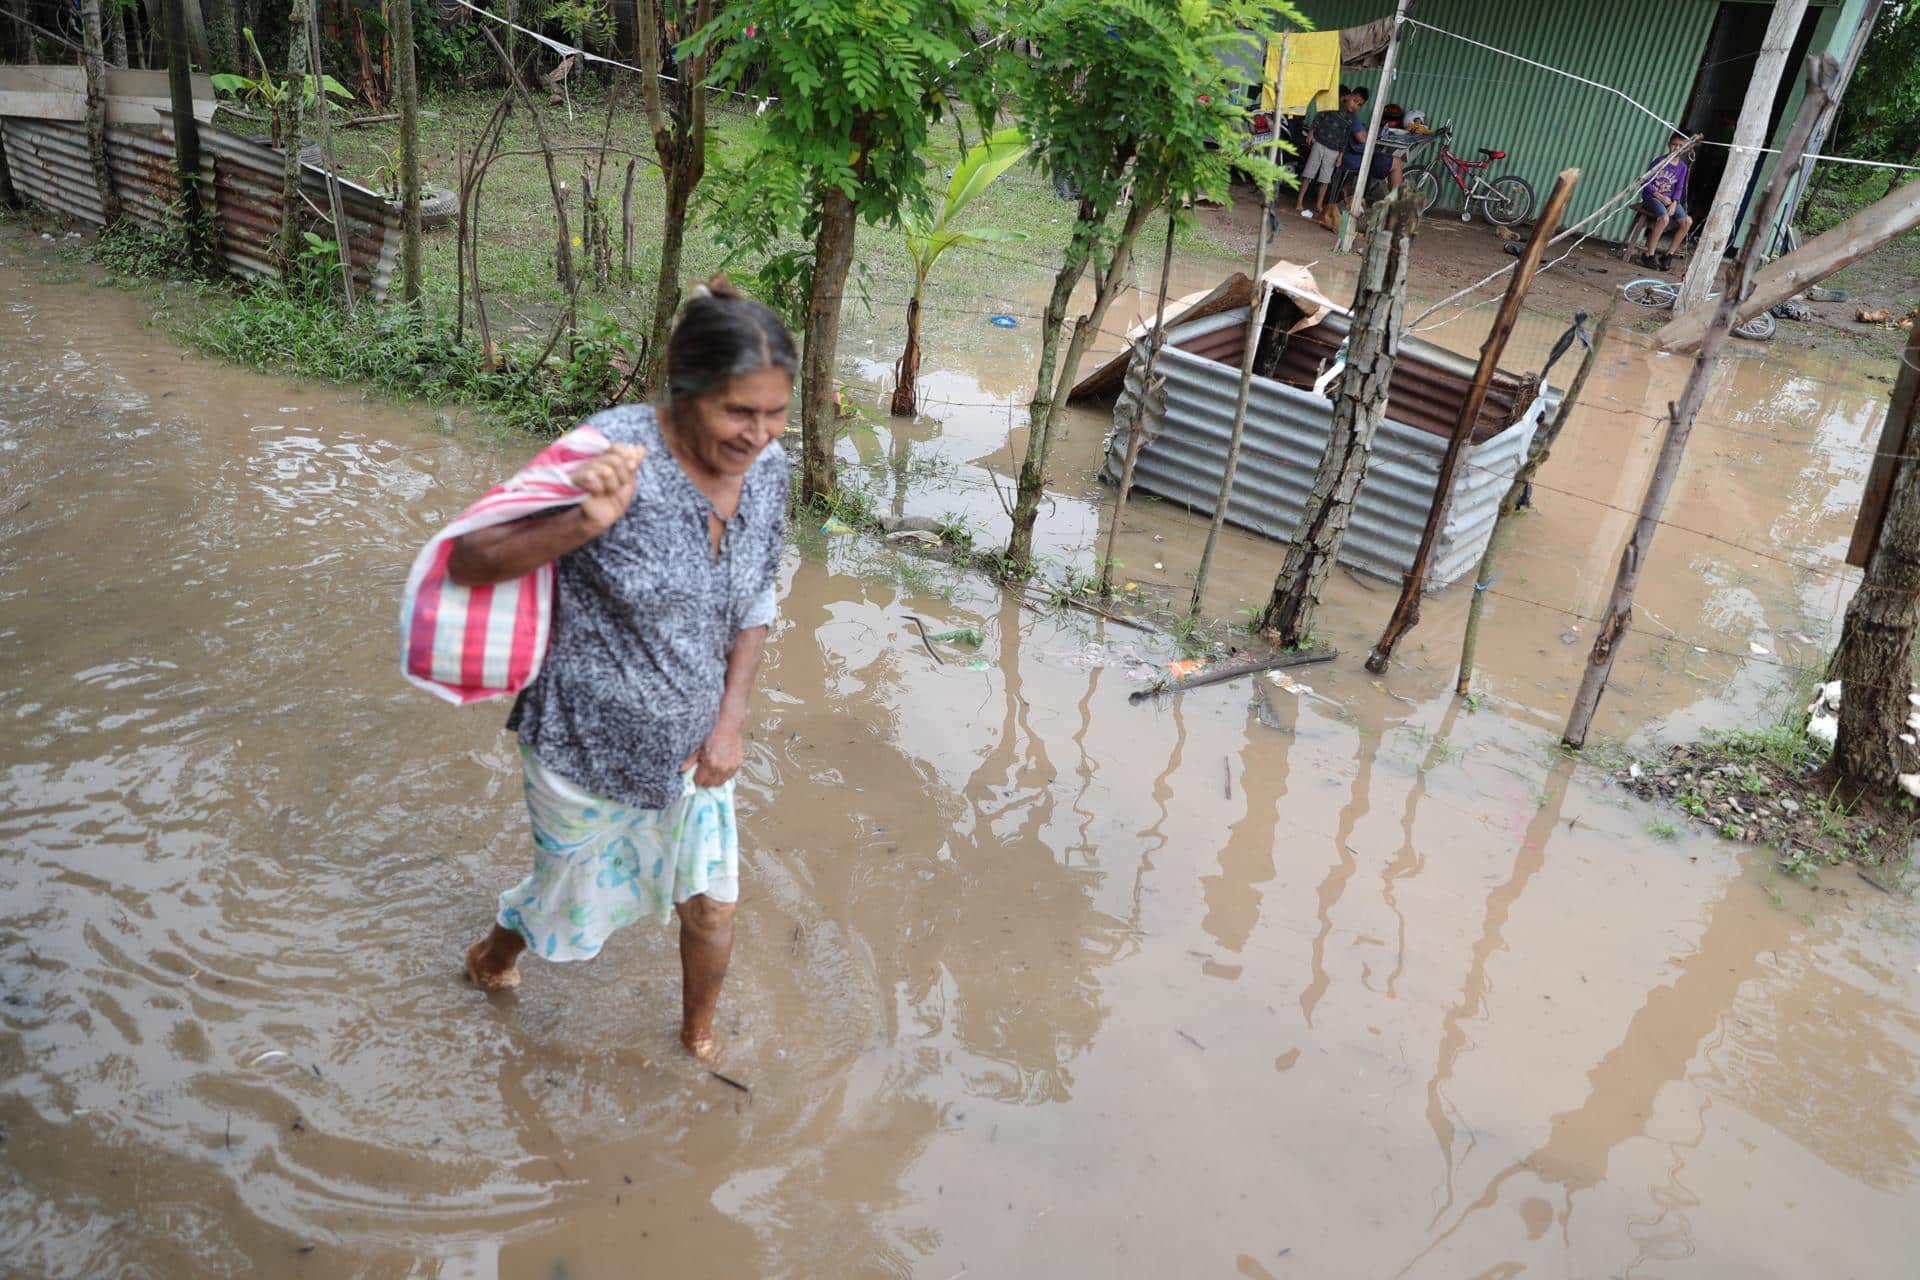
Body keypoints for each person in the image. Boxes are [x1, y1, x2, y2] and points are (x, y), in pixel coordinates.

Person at [455, 279, 794, 1066]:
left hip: (696, 747)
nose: (758, 434)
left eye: (775, 413)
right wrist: (584, 521)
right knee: (565, 898)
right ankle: (492, 957)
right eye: (739, 412)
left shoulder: (771, 470)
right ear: (685, 389)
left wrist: (730, 724)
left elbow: (755, 600)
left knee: (711, 907)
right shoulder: (607, 452)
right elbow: (471, 559)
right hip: (582, 747)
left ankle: (696, 1044)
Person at [1295, 85, 1360, 219]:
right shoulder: (1331, 107)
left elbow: (1345, 138)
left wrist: (1341, 155)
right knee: (1308, 174)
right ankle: (1299, 201)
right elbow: (1318, 117)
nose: (1355, 106)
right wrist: (1312, 132)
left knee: (1325, 180)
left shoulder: (1351, 119)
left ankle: (1319, 205)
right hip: (1319, 144)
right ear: (1347, 97)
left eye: (1359, 104)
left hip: (1334, 151)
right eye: (1354, 101)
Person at [1640, 131, 1693, 273]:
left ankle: (1668, 255)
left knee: (1687, 222)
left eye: (1680, 145)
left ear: (1685, 148)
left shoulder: (1683, 167)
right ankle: (1648, 254)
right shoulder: (1659, 162)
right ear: (1668, 145)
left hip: (1670, 200)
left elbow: (1679, 187)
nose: (1676, 148)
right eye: (1674, 144)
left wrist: (1675, 202)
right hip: (1652, 197)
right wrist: (1660, 196)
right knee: (1664, 218)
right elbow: (1646, 182)